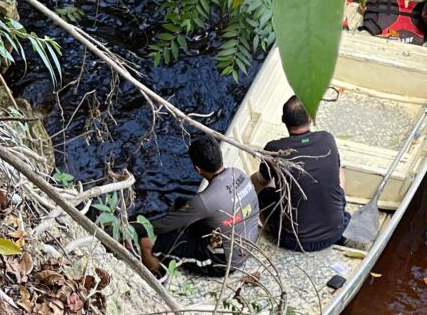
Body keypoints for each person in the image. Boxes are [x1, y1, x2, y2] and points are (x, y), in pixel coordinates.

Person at [137, 133, 259, 277]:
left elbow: (160, 226)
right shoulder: (237, 173)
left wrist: (137, 228)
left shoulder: (205, 201)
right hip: (248, 241)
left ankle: (157, 277)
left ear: (197, 169)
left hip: (223, 261)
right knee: (181, 204)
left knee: (147, 242)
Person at [252, 96, 350, 252]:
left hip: (295, 241)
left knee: (261, 190)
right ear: (310, 118)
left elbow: (261, 180)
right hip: (336, 230)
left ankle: (269, 231)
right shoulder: (327, 139)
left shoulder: (274, 149)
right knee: (339, 169)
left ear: (284, 120)